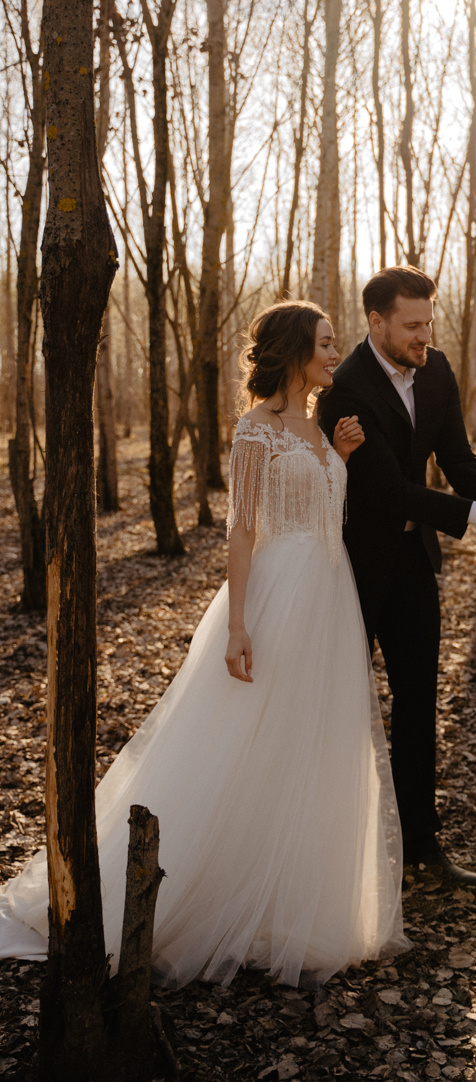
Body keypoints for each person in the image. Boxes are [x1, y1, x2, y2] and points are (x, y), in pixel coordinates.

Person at [0, 300, 407, 987]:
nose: (335, 353)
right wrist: (239, 623)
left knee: (310, 741)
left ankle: (287, 901)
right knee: (248, 738)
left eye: (335, 342)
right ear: (293, 350)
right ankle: (198, 892)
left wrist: (337, 458)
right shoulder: (255, 429)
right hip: (278, 598)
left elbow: (322, 513)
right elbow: (243, 529)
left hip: (331, 600)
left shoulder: (318, 426)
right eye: (325, 343)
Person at [318, 266, 476, 887]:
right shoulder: (343, 389)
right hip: (350, 565)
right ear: (377, 322)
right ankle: (337, 856)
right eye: (412, 325)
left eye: (429, 322)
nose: (425, 336)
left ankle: (422, 847)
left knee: (418, 702)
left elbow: (456, 456)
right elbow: (389, 491)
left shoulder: (437, 368)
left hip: (413, 561)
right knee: (343, 707)